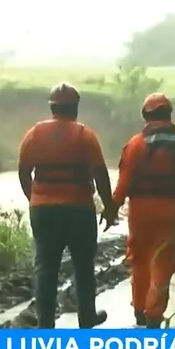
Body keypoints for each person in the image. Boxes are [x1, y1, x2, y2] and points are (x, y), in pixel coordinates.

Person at [17, 82, 119, 329]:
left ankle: (45, 325)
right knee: (84, 267)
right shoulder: (85, 135)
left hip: (44, 210)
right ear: (75, 108)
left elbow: (23, 172)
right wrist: (109, 207)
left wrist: (36, 200)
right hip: (79, 210)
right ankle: (86, 320)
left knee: (45, 268)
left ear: (52, 107)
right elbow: (100, 175)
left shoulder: (34, 134)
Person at [112, 93, 175, 328]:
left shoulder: (135, 145)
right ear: (169, 115)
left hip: (140, 212)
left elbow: (123, 184)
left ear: (145, 115)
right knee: (163, 260)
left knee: (139, 259)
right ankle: (154, 314)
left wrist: (112, 209)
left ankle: (139, 310)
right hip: (171, 212)